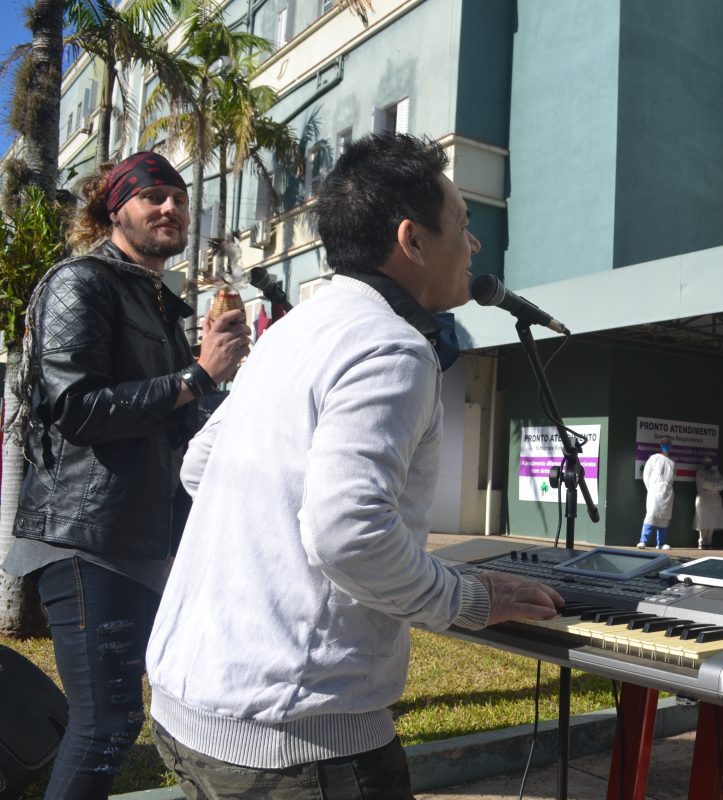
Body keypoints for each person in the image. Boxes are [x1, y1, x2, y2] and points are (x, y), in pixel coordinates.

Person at [144, 134, 563, 799]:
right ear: (413, 240)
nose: (475, 246)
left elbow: (200, 466)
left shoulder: (291, 330)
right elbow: (347, 532)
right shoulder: (391, 347)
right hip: (295, 743)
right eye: (463, 224)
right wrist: (469, 599)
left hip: (188, 708)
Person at [0, 152, 250, 799]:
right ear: (115, 209)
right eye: (152, 197)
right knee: (107, 721)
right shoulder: (81, 283)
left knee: (123, 716)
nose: (169, 207)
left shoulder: (159, 302)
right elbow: (74, 409)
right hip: (85, 536)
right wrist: (197, 375)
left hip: (142, 537)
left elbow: (181, 419)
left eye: (178, 197)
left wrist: (233, 381)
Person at [639, 436, 676, 550]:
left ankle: (661, 543)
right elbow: (646, 474)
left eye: (668, 444)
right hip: (655, 490)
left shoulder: (672, 462)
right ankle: (643, 541)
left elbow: (673, 477)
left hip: (668, 491)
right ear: (660, 445)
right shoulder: (654, 458)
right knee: (651, 514)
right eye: (664, 444)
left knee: (665, 516)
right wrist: (651, 489)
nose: (666, 446)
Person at [693, 456, 723, 549]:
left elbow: (721, 485)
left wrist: (710, 485)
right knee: (703, 522)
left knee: (712, 522)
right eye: (706, 462)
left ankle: (709, 542)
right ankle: (702, 542)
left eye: (710, 462)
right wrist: (714, 485)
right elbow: (703, 484)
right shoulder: (700, 473)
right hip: (704, 499)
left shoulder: (717, 473)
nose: (708, 464)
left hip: (715, 500)